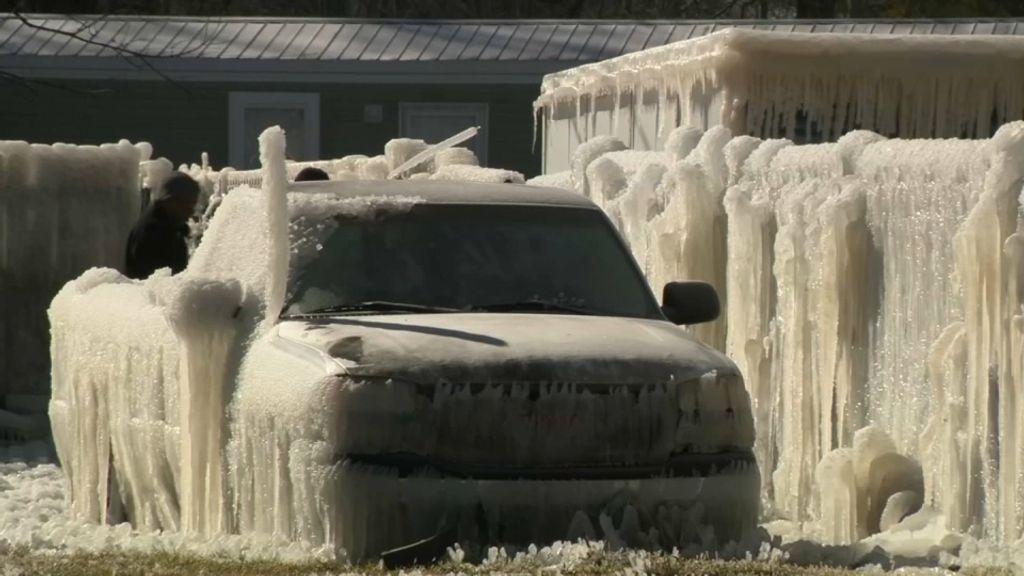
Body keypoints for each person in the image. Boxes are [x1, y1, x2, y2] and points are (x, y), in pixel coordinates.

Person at [124, 172, 200, 280]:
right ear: (170, 201)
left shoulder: (170, 226)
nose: (191, 211)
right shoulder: (155, 233)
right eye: (188, 204)